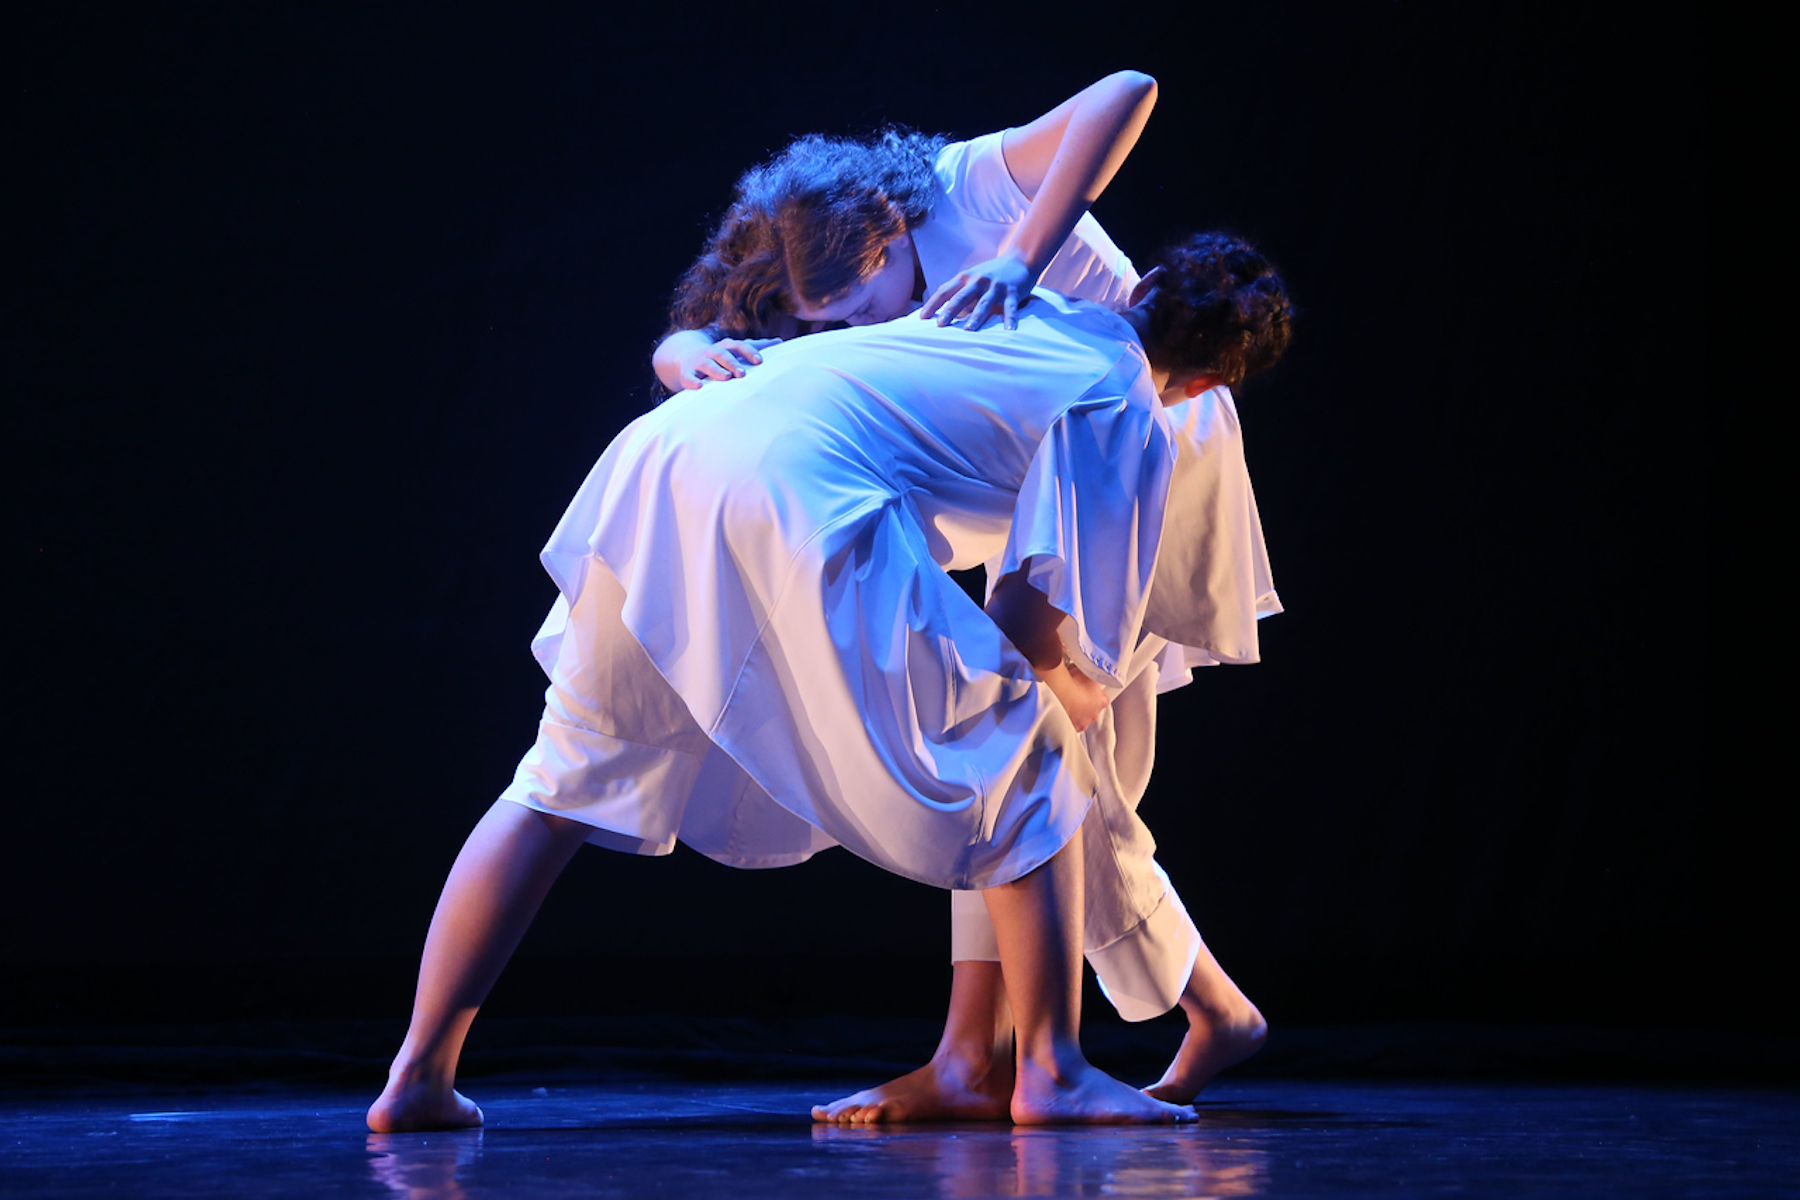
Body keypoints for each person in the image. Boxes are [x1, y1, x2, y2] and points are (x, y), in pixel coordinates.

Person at [366, 235, 1292, 1134]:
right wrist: (1062, 714)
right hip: (792, 480)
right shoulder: (1127, 404)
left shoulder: (1020, 305)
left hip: (671, 450)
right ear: (1211, 384)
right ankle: (1051, 1071)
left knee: (559, 784)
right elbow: (1036, 620)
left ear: (1150, 282)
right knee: (1030, 754)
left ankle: (417, 1077)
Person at [651, 76, 1276, 1121]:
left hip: (1136, 437)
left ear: (894, 230)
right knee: (1022, 751)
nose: (867, 327)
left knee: (1043, 754)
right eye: (834, 323)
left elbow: (1126, 90)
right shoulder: (819, 244)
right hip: (1039, 460)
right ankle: (1014, 1049)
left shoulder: (965, 187)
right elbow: (690, 331)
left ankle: (1060, 1043)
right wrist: (683, 358)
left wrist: (1017, 255)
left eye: (868, 303)